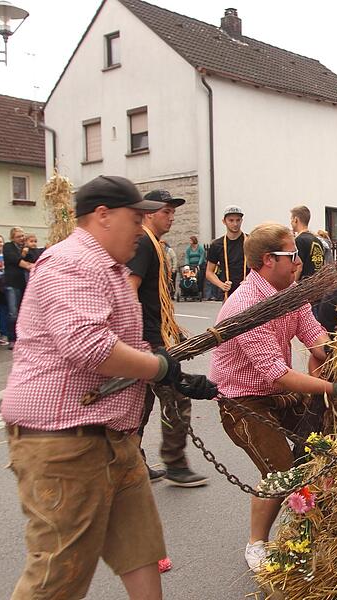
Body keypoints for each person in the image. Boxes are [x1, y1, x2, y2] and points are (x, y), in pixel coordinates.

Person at [1, 174, 217, 600]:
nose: (142, 228)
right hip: (64, 444)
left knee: (141, 550)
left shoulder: (111, 268)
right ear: (102, 216)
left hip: (112, 440)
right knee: (57, 575)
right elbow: (88, 345)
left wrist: (171, 371)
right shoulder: (71, 263)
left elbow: (122, 346)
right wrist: (158, 368)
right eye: (135, 218)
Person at [208, 222, 337, 573]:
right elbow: (278, 373)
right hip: (243, 402)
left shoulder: (290, 294)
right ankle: (256, 544)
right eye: (291, 255)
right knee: (281, 472)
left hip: (280, 395)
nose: (298, 262)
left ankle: (315, 533)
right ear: (266, 260)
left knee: (318, 452)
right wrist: (333, 388)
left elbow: (316, 340)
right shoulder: (244, 307)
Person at [127, 189, 209, 487]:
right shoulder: (144, 245)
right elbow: (128, 291)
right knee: (177, 398)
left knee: (143, 402)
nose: (171, 217)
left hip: (154, 335)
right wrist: (143, 342)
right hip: (149, 339)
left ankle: (134, 463)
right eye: (166, 212)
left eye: (173, 212)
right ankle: (175, 464)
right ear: (149, 213)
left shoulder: (153, 244)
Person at [206, 205, 249, 300]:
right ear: (224, 221)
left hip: (248, 292)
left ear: (242, 221)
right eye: (231, 220)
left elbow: (260, 267)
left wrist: (250, 280)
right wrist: (221, 285)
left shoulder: (250, 241)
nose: (235, 224)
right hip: (228, 293)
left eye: (238, 220)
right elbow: (209, 272)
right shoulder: (217, 245)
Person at [3, 227, 32, 350]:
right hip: (12, 283)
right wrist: (30, 266)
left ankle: (22, 337)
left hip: (23, 284)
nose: (22, 238)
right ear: (12, 237)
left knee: (23, 313)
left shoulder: (26, 247)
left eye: (22, 235)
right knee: (13, 313)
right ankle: (12, 339)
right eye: (19, 236)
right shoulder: (8, 246)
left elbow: (34, 257)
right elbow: (16, 260)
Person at [290, 205, 325, 280]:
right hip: (316, 283)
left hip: (304, 285)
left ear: (296, 219)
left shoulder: (299, 240)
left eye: (291, 219)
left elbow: (298, 266)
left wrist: (292, 286)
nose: (291, 222)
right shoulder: (317, 240)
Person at [0, 234, 8, 346]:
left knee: (3, 311)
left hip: (3, 286)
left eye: (0, 241)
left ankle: (4, 333)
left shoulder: (6, 255)